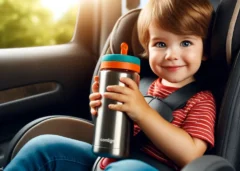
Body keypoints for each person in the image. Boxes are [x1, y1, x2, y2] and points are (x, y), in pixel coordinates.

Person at [4, 0, 215, 171]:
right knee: (42, 147)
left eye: (186, 43)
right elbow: (125, 135)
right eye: (160, 44)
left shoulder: (201, 99)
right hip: (111, 160)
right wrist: (105, 110)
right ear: (147, 48)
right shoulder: (143, 86)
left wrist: (142, 112)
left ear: (204, 50)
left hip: (148, 168)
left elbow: (191, 156)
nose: (171, 55)